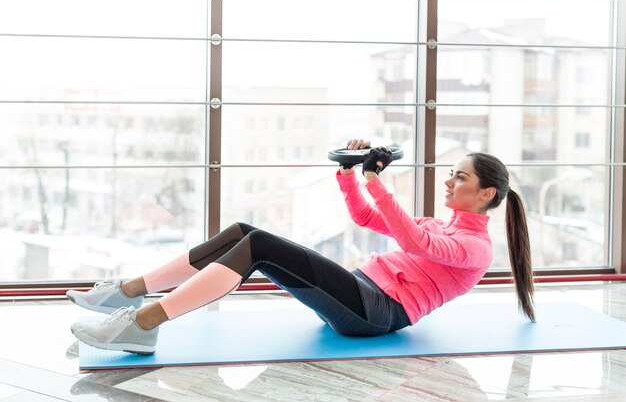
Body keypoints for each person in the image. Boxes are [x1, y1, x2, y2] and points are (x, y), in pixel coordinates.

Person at [68, 140, 535, 354]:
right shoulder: (446, 223)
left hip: (377, 314)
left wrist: (376, 180)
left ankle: (144, 324)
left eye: (461, 176)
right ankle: (129, 293)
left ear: (487, 194)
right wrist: (351, 175)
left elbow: (411, 238)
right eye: (453, 172)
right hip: (360, 291)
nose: (450, 180)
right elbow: (369, 219)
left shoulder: (474, 247)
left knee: (259, 246)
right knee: (242, 231)